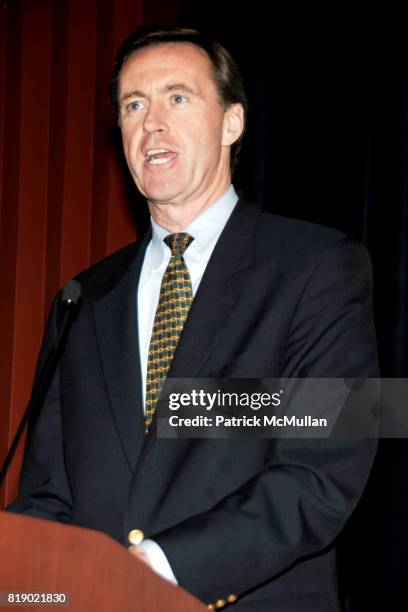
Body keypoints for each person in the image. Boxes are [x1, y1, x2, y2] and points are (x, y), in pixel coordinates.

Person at [9, 27, 379, 611]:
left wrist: (150, 570)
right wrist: (39, 591)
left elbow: (321, 473)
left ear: (232, 123)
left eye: (177, 97)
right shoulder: (82, 298)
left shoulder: (319, 265)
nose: (151, 122)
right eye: (134, 105)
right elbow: (46, 495)